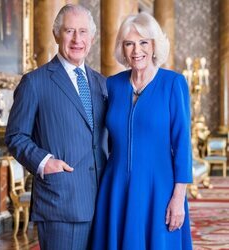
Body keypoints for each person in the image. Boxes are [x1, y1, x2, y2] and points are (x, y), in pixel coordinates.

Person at [5, 4, 108, 250]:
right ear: (56, 34)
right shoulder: (35, 82)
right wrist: (44, 162)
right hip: (60, 204)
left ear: (91, 39)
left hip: (104, 202)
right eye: (69, 31)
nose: (77, 39)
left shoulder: (103, 84)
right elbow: (15, 136)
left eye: (83, 32)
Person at [92, 12, 193, 250]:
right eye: (129, 43)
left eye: (143, 42)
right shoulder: (112, 85)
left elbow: (182, 144)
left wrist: (178, 197)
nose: (136, 50)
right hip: (116, 187)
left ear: (154, 45)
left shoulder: (173, 83)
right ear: (122, 49)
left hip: (159, 188)